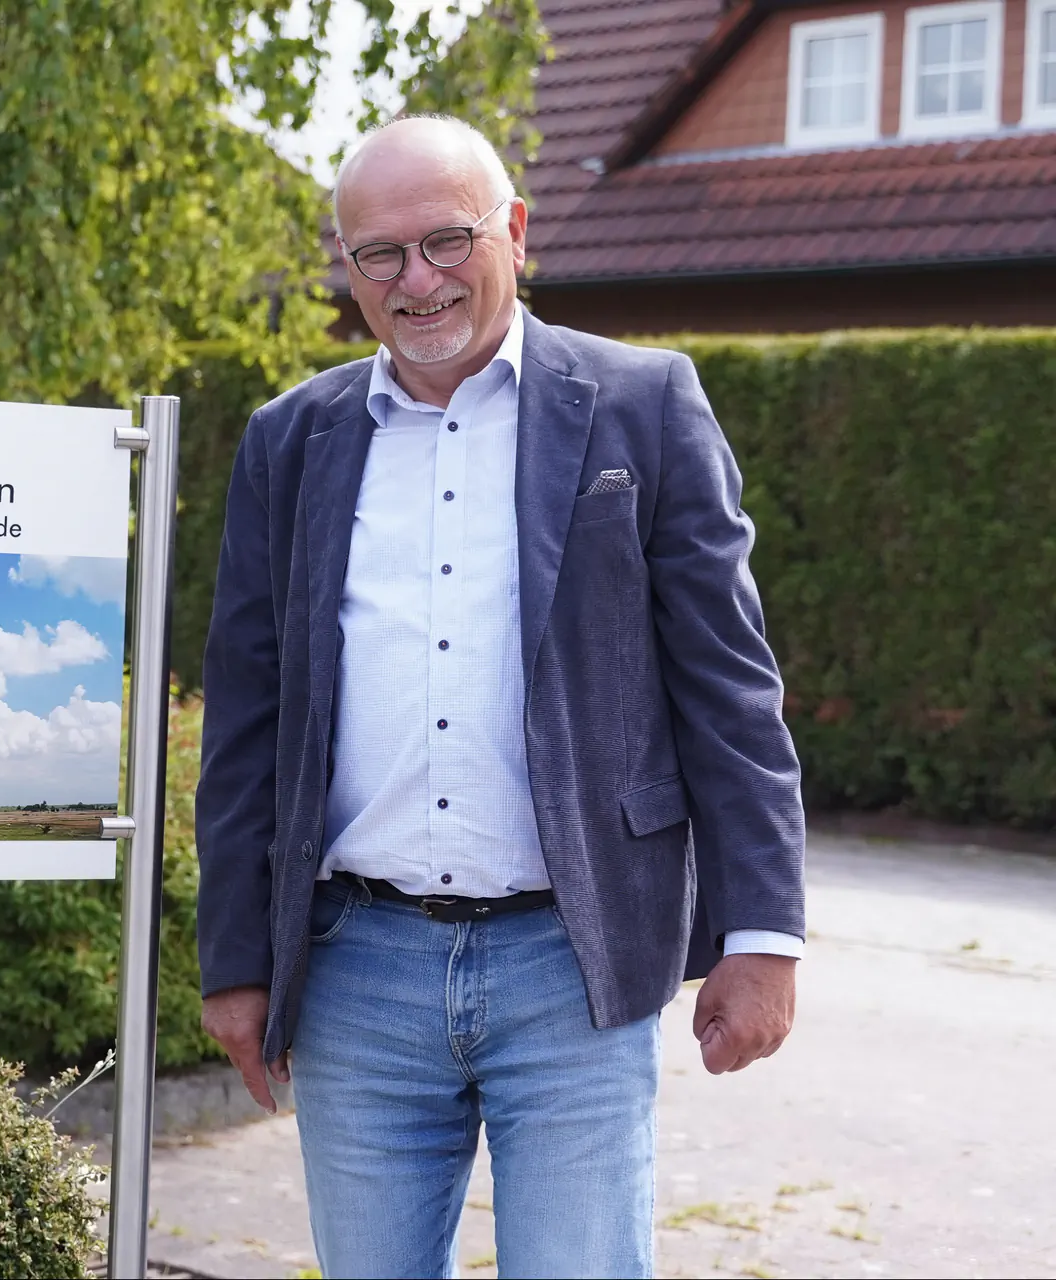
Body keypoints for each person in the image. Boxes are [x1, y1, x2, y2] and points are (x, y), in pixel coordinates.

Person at [194, 114, 806, 1279]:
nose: (417, 279)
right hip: (356, 970)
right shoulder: (289, 439)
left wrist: (763, 936)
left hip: (572, 963)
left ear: (514, 232)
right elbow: (247, 716)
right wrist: (234, 959)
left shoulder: (643, 404)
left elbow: (731, 692)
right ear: (348, 266)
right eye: (381, 253)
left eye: (447, 239)